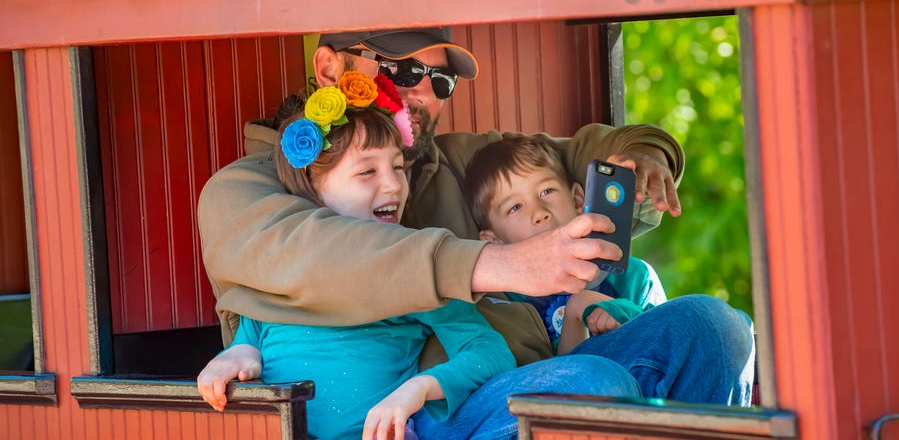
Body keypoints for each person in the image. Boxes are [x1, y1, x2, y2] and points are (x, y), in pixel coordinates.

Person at [197, 26, 754, 414]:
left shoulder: (456, 160)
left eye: (439, 81)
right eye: (403, 68)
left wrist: (640, 155)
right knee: (590, 387)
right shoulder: (242, 191)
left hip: (550, 369)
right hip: (427, 409)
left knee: (714, 329)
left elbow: (572, 154)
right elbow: (333, 255)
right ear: (329, 67)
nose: (421, 91)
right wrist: (504, 264)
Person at [198, 72, 634, 440]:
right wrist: (237, 357)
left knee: (596, 378)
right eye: (368, 171)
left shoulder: (417, 276)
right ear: (313, 189)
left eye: (398, 168)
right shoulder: (278, 278)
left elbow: (488, 352)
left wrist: (422, 388)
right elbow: (249, 334)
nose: (393, 186)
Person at [462, 135, 668, 355]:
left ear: (578, 200)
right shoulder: (507, 308)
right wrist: (577, 311)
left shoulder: (635, 277)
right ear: (494, 242)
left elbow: (669, 343)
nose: (539, 212)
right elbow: (550, 381)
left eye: (546, 191)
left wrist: (622, 313)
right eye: (515, 207)